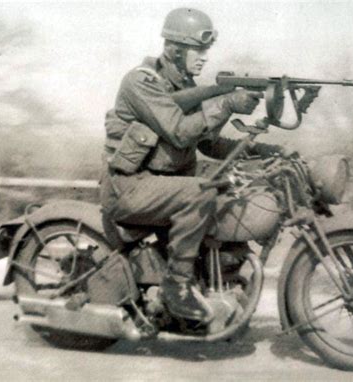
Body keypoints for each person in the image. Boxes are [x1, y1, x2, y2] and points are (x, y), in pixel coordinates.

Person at [100, 8, 285, 323]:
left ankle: (219, 273)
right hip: (129, 188)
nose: (204, 58)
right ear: (174, 50)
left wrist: (262, 151)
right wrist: (226, 103)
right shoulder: (141, 82)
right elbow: (179, 131)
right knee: (199, 192)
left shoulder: (186, 86)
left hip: (161, 186)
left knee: (229, 186)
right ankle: (177, 285)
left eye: (206, 51)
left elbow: (208, 142)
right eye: (198, 50)